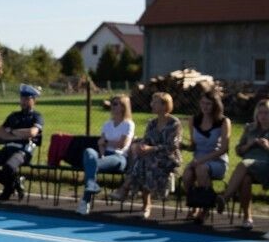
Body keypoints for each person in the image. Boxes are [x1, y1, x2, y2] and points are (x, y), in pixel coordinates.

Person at [110, 91, 182, 219]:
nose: (151, 104)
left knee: (143, 161)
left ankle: (128, 191)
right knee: (141, 157)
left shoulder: (174, 123)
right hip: (150, 156)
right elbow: (146, 140)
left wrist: (152, 148)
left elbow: (172, 146)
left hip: (167, 157)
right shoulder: (152, 123)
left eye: (155, 102)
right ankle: (142, 202)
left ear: (165, 106)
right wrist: (142, 146)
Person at [76, 94, 135, 215]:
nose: (112, 106)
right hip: (105, 155)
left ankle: (85, 200)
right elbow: (100, 144)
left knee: (91, 164)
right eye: (111, 103)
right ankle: (91, 185)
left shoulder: (128, 124)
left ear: (123, 107)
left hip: (119, 157)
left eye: (115, 104)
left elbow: (121, 144)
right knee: (89, 151)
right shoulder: (107, 124)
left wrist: (106, 142)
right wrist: (102, 154)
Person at [215, 99, 269, 230]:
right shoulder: (250, 128)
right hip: (249, 167)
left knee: (243, 164)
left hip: (266, 165)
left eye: (266, 113)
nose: (263, 116)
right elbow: (238, 151)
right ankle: (247, 218)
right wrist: (249, 144)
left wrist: (267, 146)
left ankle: (225, 197)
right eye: (260, 113)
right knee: (245, 179)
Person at [0, 84, 44, 200]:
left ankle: (8, 189)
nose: (24, 101)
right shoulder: (14, 116)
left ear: (33, 100)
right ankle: (15, 183)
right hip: (8, 148)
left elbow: (33, 132)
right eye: (22, 98)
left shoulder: (36, 117)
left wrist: (11, 131)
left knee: (9, 167)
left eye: (27, 99)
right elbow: (0, 132)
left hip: (23, 151)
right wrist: (17, 135)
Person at [181, 89, 231, 223]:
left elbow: (224, 149)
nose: (205, 106)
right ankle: (195, 204)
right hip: (198, 159)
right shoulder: (194, 120)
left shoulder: (223, 122)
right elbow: (193, 145)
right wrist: (183, 145)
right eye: (203, 103)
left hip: (217, 161)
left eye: (208, 104)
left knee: (201, 169)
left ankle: (205, 209)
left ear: (215, 105)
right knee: (187, 175)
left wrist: (201, 161)